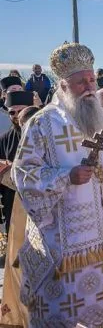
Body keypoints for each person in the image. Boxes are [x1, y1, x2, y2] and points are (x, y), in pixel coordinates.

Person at [11, 42, 103, 327]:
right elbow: (24, 174)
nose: (90, 87)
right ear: (64, 85)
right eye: (82, 81)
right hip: (64, 251)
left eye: (92, 79)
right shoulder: (43, 123)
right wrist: (65, 177)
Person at [0, 104, 38, 327]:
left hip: (41, 214)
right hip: (16, 207)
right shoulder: (6, 138)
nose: (15, 118)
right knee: (17, 261)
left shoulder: (48, 140)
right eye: (12, 113)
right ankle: (16, 313)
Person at [0, 91, 34, 235]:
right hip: (12, 202)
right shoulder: (4, 139)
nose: (16, 115)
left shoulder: (44, 135)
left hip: (38, 202)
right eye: (12, 112)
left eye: (21, 111)